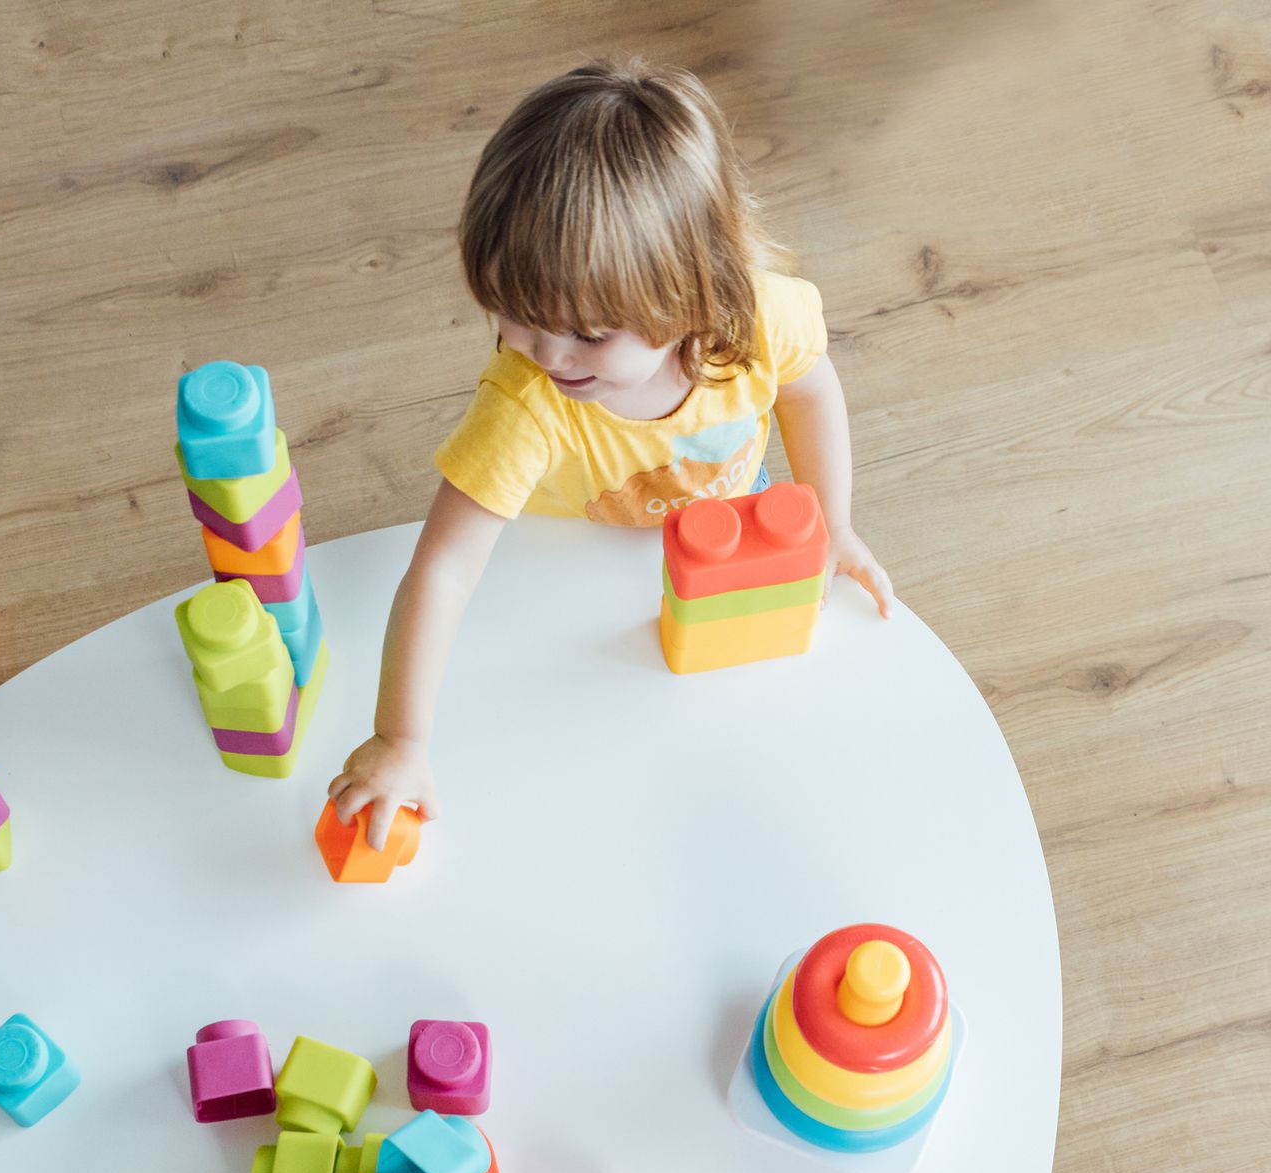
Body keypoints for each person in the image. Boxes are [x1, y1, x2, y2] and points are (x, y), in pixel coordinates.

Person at [327, 56, 894, 849]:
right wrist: (401, 741)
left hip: (727, 529)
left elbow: (807, 389)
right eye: (515, 316)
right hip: (571, 557)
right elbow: (444, 568)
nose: (548, 356)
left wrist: (833, 521)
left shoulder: (762, 322)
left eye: (588, 333)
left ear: (697, 293)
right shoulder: (525, 404)